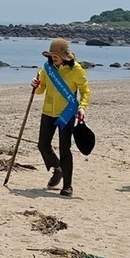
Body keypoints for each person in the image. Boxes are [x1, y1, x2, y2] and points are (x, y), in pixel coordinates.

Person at [30, 38, 91, 197]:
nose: (52, 58)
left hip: (67, 113)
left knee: (65, 149)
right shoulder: (46, 69)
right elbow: (40, 90)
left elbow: (85, 91)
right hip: (48, 111)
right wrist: (36, 85)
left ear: (64, 56)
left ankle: (68, 186)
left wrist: (82, 107)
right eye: (51, 56)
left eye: (55, 56)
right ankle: (58, 169)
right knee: (43, 145)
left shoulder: (76, 70)